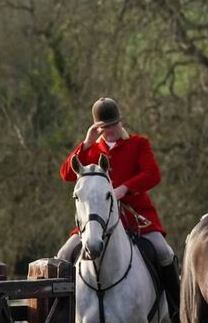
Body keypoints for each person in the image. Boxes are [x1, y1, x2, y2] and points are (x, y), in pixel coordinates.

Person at [57, 98, 180, 321]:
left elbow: (153, 174)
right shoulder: (91, 151)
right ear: (97, 128)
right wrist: (85, 144)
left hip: (137, 219)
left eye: (114, 124)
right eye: (105, 126)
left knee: (164, 253)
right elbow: (66, 174)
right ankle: (60, 313)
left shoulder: (139, 143)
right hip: (95, 223)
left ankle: (177, 309)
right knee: (64, 255)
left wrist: (125, 188)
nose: (111, 130)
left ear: (121, 122)